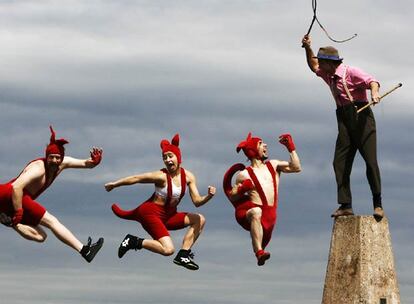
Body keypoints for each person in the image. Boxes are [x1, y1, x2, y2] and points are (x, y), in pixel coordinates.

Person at [302, 34, 384, 219]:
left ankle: (377, 204)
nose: (319, 67)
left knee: (370, 162)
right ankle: (345, 205)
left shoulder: (351, 72)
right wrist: (308, 47)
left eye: (322, 63)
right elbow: (312, 65)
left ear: (330, 63)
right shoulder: (327, 74)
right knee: (339, 162)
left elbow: (372, 81)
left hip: (362, 117)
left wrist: (375, 94)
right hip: (344, 120)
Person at [105, 134, 216, 271]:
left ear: (178, 157)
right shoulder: (161, 176)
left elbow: (197, 201)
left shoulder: (188, 176)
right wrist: (114, 184)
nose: (168, 160)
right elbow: (137, 178)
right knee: (168, 249)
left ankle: (183, 255)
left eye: (170, 156)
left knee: (200, 219)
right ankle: (134, 241)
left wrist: (209, 196)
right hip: (150, 213)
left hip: (169, 216)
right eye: (165, 157)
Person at [0, 126, 104, 263]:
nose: (54, 161)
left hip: (14, 202)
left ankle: (10, 222)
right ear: (46, 156)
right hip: (10, 195)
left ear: (61, 158)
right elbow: (16, 187)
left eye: (57, 158)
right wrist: (19, 211)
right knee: (52, 221)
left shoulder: (63, 163)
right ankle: (85, 250)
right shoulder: (38, 168)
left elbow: (86, 163)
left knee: (41, 236)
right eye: (51, 157)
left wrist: (94, 162)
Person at [223, 133, 301, 266]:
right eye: (260, 143)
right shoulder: (244, 174)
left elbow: (296, 167)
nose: (265, 145)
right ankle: (258, 252)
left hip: (270, 215)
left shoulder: (273, 165)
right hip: (250, 212)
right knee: (256, 212)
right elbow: (233, 196)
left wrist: (291, 147)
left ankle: (261, 252)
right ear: (253, 150)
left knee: (263, 230)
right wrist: (242, 189)